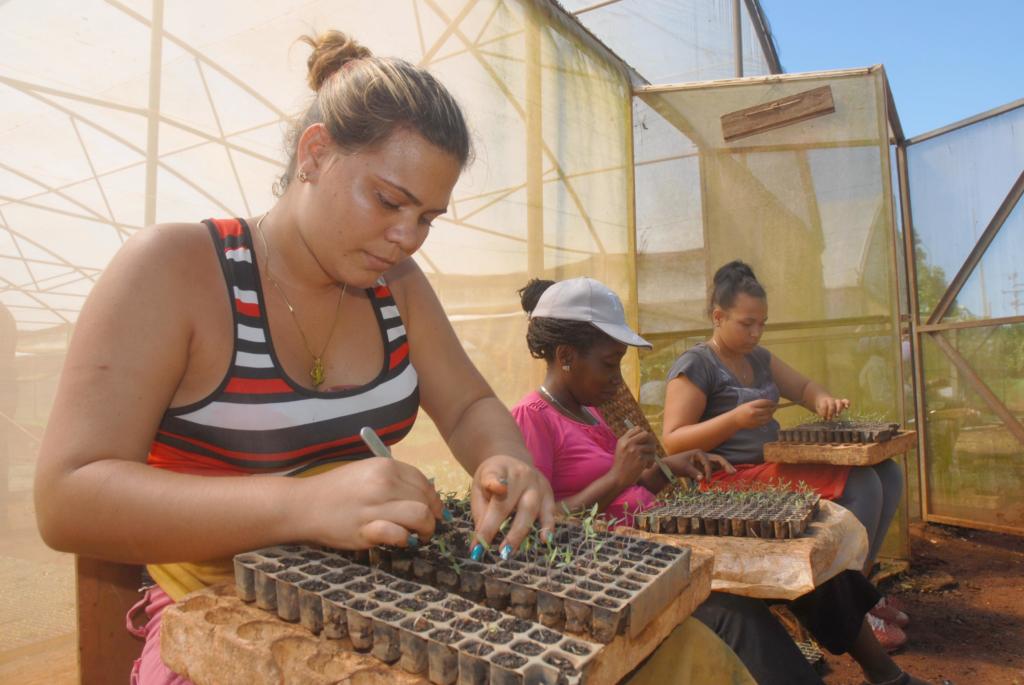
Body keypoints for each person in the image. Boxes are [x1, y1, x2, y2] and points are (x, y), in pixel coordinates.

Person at [33, 31, 554, 684]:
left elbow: (469, 403)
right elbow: (68, 497)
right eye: (388, 200)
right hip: (216, 623)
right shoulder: (175, 270)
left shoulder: (397, 286)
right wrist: (303, 505)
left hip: (360, 608)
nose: (407, 237)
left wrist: (504, 458)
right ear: (315, 154)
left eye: (428, 217)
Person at [512, 276, 930, 685]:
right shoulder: (533, 419)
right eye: (609, 363)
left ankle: (888, 676)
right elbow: (533, 530)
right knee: (736, 616)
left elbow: (632, 491)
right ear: (566, 356)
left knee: (803, 562)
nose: (616, 375)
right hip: (615, 570)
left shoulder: (590, 412)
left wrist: (666, 469)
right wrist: (617, 479)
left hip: (662, 540)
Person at [661, 260, 909, 647]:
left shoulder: (758, 358)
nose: (756, 333)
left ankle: (862, 588)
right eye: (747, 324)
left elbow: (804, 387)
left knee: (888, 474)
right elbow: (673, 441)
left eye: (762, 324)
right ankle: (850, 614)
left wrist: (822, 400)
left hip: (769, 467)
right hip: (726, 480)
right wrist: (735, 420)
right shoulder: (696, 365)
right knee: (863, 484)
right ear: (718, 317)